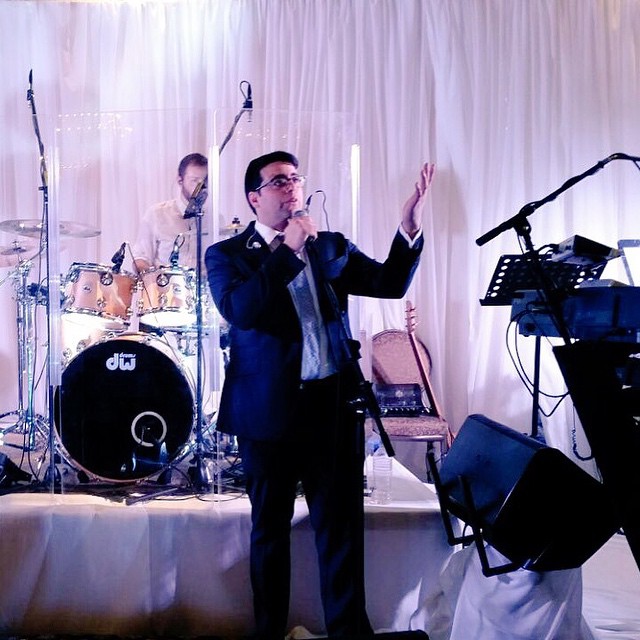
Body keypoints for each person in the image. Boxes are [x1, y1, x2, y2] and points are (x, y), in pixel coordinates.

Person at [205, 150, 435, 639]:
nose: (292, 187)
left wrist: (408, 228)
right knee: (270, 533)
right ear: (254, 198)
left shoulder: (329, 245)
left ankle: (348, 633)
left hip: (332, 408)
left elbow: (389, 283)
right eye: (278, 181)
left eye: (295, 178)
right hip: (267, 415)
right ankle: (269, 633)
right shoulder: (227, 254)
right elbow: (241, 310)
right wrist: (286, 251)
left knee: (341, 532)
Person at [131, 152, 208, 272]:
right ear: (180, 180)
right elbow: (140, 258)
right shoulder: (157, 214)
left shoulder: (215, 219)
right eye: (194, 180)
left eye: (204, 181)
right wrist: (153, 278)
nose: (201, 186)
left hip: (205, 283)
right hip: (167, 282)